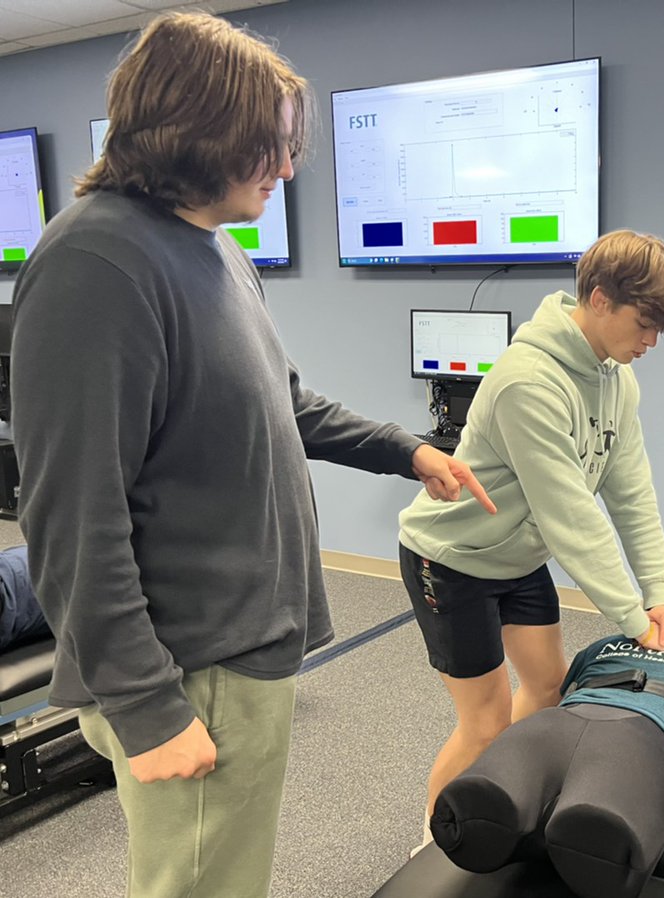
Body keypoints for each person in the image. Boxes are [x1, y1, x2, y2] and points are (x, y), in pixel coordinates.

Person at [9, 13, 493, 898]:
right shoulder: (95, 262)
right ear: (199, 130)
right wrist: (146, 707)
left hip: (241, 650)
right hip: (188, 669)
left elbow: (283, 401)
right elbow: (72, 515)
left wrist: (407, 451)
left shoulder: (217, 249)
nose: (287, 169)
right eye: (269, 145)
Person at [399, 229, 664, 850]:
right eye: (645, 324)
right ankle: (439, 843)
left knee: (549, 688)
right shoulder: (527, 382)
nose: (651, 342)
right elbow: (570, 515)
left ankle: (507, 807)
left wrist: (660, 596)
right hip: (453, 560)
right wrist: (635, 621)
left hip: (517, 559)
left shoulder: (617, 380)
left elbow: (631, 495)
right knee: (485, 721)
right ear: (600, 299)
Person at [430, 634, 664, 898]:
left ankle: (499, 820)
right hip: (643, 742)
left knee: (476, 805)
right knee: (604, 840)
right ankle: (572, 835)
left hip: (549, 728)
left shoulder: (613, 642)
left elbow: (565, 687)